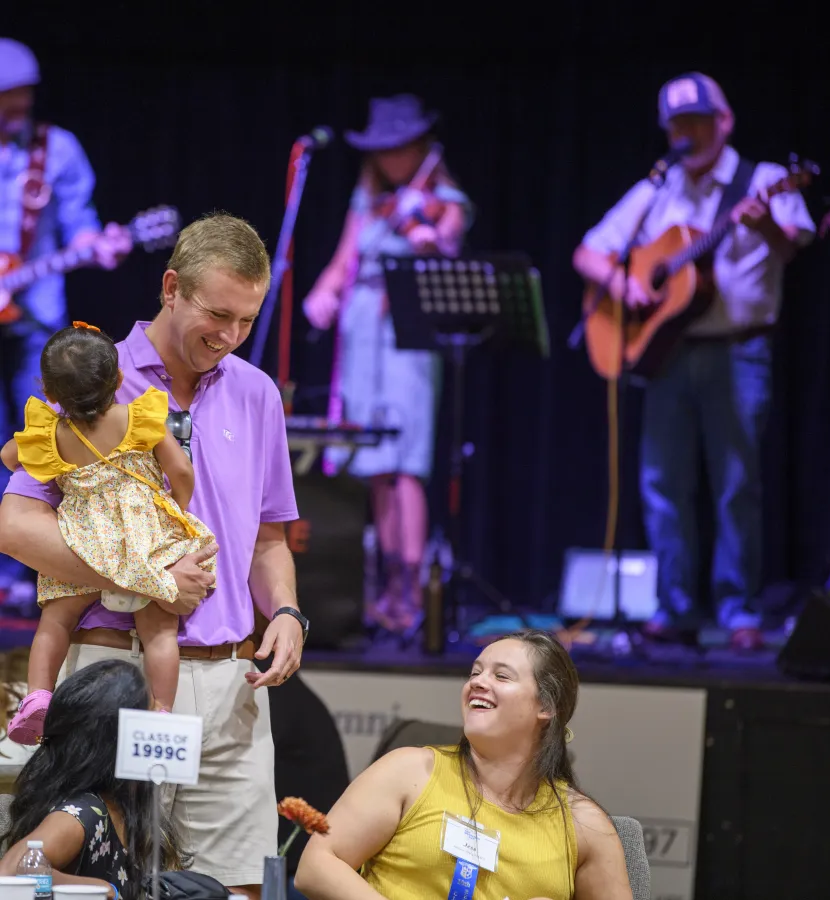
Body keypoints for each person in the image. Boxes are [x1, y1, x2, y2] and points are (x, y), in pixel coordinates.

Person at [0, 212, 308, 900]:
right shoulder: (89, 378)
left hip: (231, 690)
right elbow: (15, 526)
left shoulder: (257, 393)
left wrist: (286, 611)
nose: (229, 337)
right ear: (172, 287)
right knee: (98, 886)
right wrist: (147, 576)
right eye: (217, 315)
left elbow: (268, 538)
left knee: (238, 890)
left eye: (246, 322)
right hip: (116, 677)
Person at [573, 72, 816, 651]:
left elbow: (798, 244)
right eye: (678, 126)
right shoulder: (658, 189)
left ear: (724, 121)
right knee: (663, 484)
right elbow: (589, 250)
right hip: (667, 353)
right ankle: (674, 606)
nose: (688, 135)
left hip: (738, 349)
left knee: (736, 484)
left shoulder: (766, 182)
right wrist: (623, 283)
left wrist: (766, 227)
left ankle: (738, 609)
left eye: (698, 122)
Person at [303, 94, 472, 635]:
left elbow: (446, 243)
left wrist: (429, 238)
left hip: (405, 331)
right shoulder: (367, 201)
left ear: (420, 146)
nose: (394, 159)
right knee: (370, 461)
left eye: (402, 148)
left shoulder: (444, 197)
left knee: (405, 463)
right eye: (385, 150)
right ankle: (377, 591)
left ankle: (413, 592)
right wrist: (323, 294)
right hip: (360, 334)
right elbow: (342, 262)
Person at [1, 322, 217, 743]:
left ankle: (39, 696)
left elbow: (10, 456)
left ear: (47, 389)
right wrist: (178, 507)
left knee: (56, 620)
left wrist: (48, 447)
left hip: (84, 545)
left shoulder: (51, 434)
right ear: (118, 379)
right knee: (158, 631)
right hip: (143, 542)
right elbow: (180, 471)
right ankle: (161, 713)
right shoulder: (139, 418)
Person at [294, 630, 632, 900]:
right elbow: (316, 867)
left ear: (546, 706)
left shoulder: (584, 825)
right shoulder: (409, 772)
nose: (477, 682)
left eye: (502, 676)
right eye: (475, 672)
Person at [0, 37, 132, 612]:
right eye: (8, 96)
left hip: (35, 316)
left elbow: (80, 224)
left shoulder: (60, 150)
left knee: (43, 443)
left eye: (24, 94)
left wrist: (96, 246)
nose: (19, 105)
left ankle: (34, 569)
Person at [0, 658, 182, 900]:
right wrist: (99, 888)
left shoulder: (127, 805)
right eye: (151, 709)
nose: (161, 714)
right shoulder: (84, 811)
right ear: (117, 735)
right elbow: (12, 872)